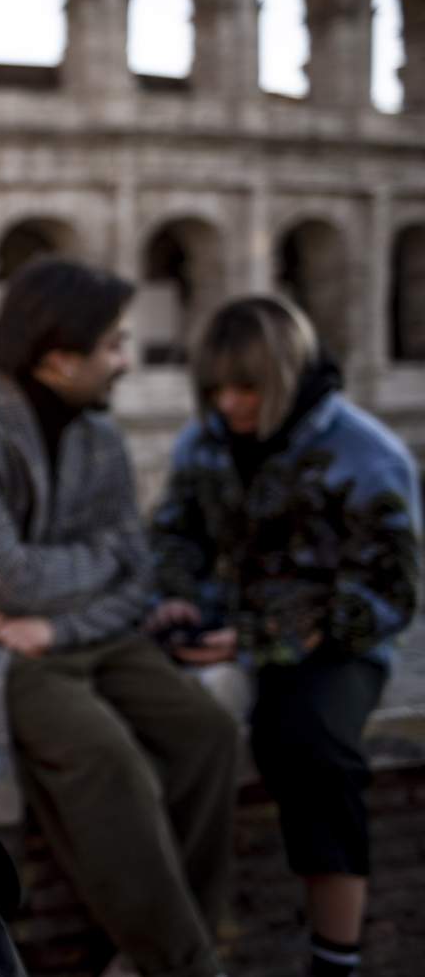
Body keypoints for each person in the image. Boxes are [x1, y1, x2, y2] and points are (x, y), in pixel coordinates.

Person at [0, 258, 239, 977]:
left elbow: (134, 571)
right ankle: (188, 964)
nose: (127, 362)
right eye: (113, 346)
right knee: (110, 761)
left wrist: (58, 622)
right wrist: (99, 563)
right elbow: (4, 578)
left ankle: (160, 947)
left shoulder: (98, 436)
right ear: (58, 356)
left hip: (71, 637)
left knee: (209, 734)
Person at [149, 295, 421, 977]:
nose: (230, 405)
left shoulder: (367, 453)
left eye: (247, 388)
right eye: (215, 389)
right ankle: (155, 943)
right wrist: (177, 600)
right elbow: (173, 533)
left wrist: (254, 639)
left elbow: (389, 593)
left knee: (311, 745)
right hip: (219, 630)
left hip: (336, 646)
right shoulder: (204, 439)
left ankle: (335, 959)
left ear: (287, 376)